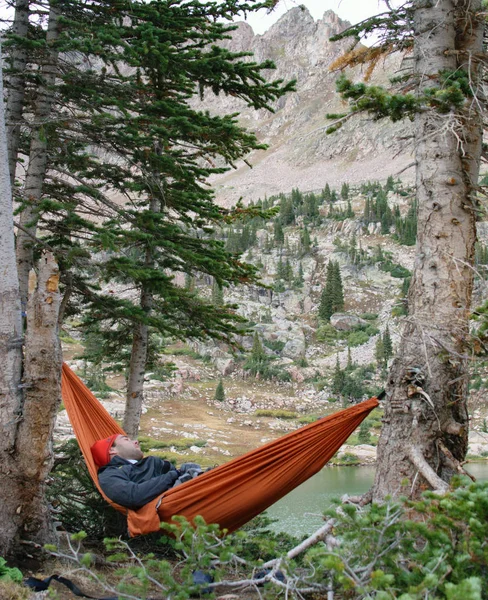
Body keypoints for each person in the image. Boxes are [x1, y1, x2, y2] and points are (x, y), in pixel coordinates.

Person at [90, 434, 203, 509]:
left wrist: (183, 471)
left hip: (191, 493)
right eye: (126, 439)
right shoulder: (109, 475)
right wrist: (174, 475)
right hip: (170, 504)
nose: (136, 442)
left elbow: (175, 473)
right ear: (111, 450)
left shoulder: (152, 462)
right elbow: (133, 496)